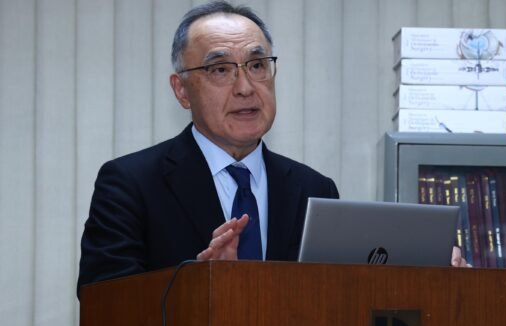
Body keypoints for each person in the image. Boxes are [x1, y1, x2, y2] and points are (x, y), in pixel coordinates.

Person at [78, 1, 467, 292]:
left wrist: (425, 277)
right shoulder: (130, 183)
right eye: (220, 69)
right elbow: (106, 305)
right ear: (181, 90)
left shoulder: (314, 189)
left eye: (257, 65)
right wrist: (203, 282)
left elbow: (337, 302)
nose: (245, 87)